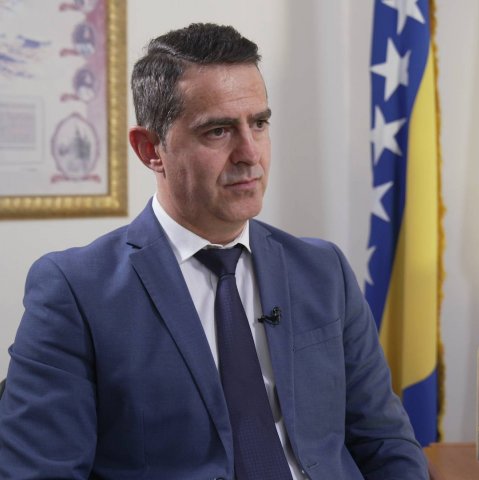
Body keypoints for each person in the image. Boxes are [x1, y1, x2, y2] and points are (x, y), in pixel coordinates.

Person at [0, 23, 428, 479]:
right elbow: (38, 472)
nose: (250, 154)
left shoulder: (324, 271)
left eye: (258, 124)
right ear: (150, 149)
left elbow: (385, 443)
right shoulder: (75, 291)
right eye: (218, 131)